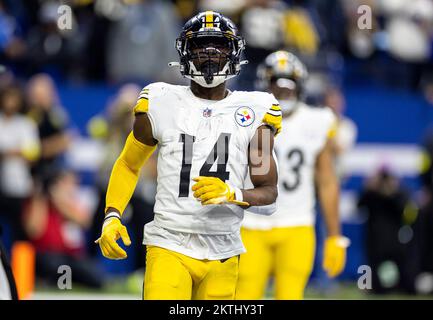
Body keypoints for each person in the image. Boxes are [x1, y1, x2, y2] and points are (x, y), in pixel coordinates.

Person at [96, 11, 281, 300]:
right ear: (184, 52)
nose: (209, 53)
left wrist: (232, 193)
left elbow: (268, 194)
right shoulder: (159, 101)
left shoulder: (255, 111)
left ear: (233, 53)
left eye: (219, 46)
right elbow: (129, 164)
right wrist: (112, 215)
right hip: (168, 243)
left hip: (223, 250)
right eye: (200, 45)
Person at [236, 51, 349, 300]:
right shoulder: (244, 117)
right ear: (264, 87)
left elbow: (327, 182)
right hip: (250, 225)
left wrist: (335, 236)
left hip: (296, 225)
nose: (283, 94)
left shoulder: (317, 120)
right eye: (277, 87)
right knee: (244, 298)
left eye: (288, 87)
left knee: (290, 295)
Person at [23, 168, 103, 289]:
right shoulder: (37, 202)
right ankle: (58, 282)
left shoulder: (69, 202)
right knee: (54, 264)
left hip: (71, 256)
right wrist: (41, 197)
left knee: (94, 274)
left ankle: (67, 281)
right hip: (47, 255)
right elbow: (34, 230)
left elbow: (84, 222)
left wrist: (59, 202)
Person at [0, 83, 40, 243]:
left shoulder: (26, 124)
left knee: (21, 232)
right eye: (7, 97)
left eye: (14, 98)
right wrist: (18, 151)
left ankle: (21, 268)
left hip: (19, 186)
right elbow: (25, 151)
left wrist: (6, 152)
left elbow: (32, 153)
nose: (10, 102)